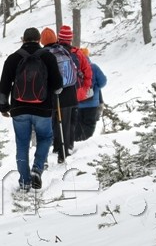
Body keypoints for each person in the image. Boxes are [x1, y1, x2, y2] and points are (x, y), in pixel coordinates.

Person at [0, 27, 62, 191]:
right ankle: (37, 169)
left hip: (19, 109)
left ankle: (24, 181)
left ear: (23, 39)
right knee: (45, 138)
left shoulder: (13, 58)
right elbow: (58, 85)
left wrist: (3, 106)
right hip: (43, 108)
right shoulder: (48, 57)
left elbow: (4, 84)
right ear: (39, 39)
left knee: (22, 144)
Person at [39, 27, 81, 163]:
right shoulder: (63, 51)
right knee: (65, 123)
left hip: (52, 93)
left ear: (42, 41)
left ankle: (47, 154)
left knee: (49, 123)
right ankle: (63, 153)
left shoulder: (43, 54)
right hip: (68, 92)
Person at [57, 25, 93, 153]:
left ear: (59, 38)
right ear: (70, 39)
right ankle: (69, 145)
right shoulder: (77, 53)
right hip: (75, 91)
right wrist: (84, 90)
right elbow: (87, 72)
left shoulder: (54, 52)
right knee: (72, 120)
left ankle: (58, 146)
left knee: (59, 120)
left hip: (58, 92)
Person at [73, 55, 107, 142]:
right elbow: (103, 82)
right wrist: (96, 87)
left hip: (76, 102)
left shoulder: (72, 67)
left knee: (77, 125)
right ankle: (85, 144)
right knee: (89, 124)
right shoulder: (93, 67)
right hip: (91, 103)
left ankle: (76, 143)